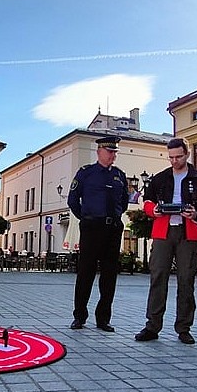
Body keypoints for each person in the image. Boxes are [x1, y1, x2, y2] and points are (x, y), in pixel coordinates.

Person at [134, 137, 197, 344]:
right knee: (158, 277)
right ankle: (152, 326)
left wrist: (196, 214)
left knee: (186, 280)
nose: (174, 161)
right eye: (171, 157)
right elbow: (148, 201)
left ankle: (184, 328)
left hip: (188, 233)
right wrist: (153, 210)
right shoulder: (160, 178)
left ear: (187, 154)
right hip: (163, 231)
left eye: (178, 157)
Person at [68, 135, 129, 332]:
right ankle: (79, 316)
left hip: (112, 229)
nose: (113, 155)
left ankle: (103, 318)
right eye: (109, 151)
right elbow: (73, 200)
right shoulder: (86, 173)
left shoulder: (120, 175)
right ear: (99, 151)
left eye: (115, 152)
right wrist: (86, 218)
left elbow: (124, 202)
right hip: (92, 228)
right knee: (85, 273)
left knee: (109, 276)